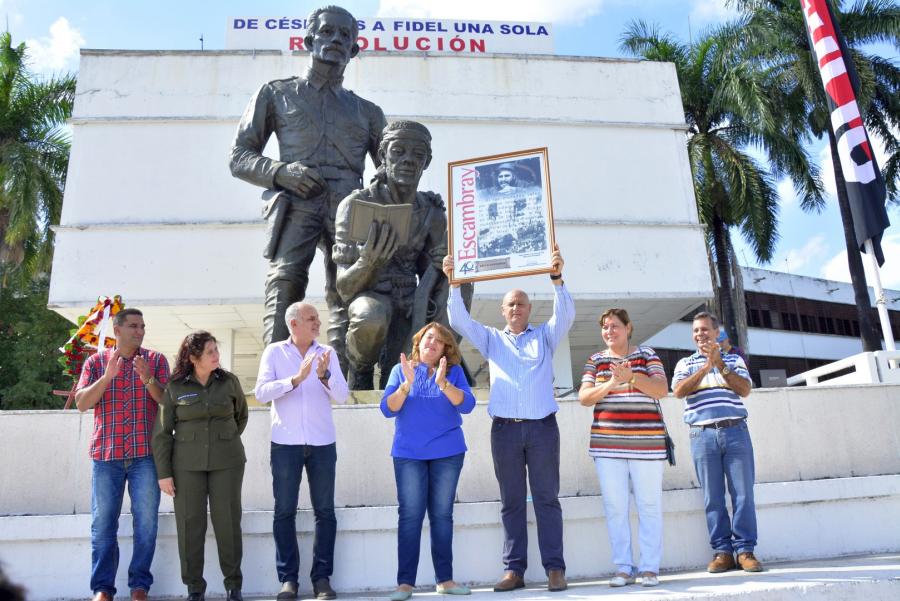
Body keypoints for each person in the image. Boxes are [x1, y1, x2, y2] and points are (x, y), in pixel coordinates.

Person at [230, 5, 388, 370]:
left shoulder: (367, 111)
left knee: (348, 290)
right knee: (285, 280)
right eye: (328, 32)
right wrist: (281, 171)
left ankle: (345, 379)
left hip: (350, 208)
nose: (335, 40)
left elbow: (389, 172)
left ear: (354, 49)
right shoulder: (276, 94)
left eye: (344, 36)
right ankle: (277, 372)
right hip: (297, 202)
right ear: (309, 40)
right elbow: (239, 156)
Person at [442, 248, 574, 592]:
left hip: (543, 428)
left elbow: (567, 316)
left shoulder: (545, 336)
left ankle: (555, 569)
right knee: (511, 501)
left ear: (530, 309)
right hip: (505, 431)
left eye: (521, 303)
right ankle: (513, 570)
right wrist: (454, 283)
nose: (516, 308)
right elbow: (459, 321)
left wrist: (557, 279)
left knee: (547, 498)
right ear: (503, 311)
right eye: (510, 304)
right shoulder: (492, 340)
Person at [334, 120, 448, 390]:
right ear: (383, 155)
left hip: (411, 301)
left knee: (396, 381)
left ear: (427, 161)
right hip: (371, 296)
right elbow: (344, 287)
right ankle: (360, 370)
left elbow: (431, 278)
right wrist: (368, 262)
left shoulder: (432, 213)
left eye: (417, 154)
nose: (408, 160)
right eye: (398, 152)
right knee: (370, 316)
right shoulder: (356, 205)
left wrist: (443, 267)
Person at [254, 301, 350, 600]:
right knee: (284, 512)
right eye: (311, 319)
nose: (317, 323)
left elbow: (343, 396)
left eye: (317, 319)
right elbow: (260, 393)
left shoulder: (327, 354)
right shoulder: (274, 352)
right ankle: (288, 581)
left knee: (325, 512)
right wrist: (294, 380)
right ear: (293, 324)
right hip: (285, 444)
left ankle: (322, 579)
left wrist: (323, 376)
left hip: (322, 443)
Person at [75, 308, 170, 601]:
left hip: (145, 456)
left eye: (142, 326)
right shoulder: (95, 361)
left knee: (147, 523)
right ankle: (103, 589)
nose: (140, 331)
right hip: (106, 455)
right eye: (133, 326)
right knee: (103, 524)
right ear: (117, 330)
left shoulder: (155, 360)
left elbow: (168, 402)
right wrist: (106, 378)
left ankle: (139, 586)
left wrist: (148, 379)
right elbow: (81, 403)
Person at [380, 323, 477, 600]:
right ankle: (405, 585)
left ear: (446, 349)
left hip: (447, 452)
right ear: (419, 342)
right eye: (428, 338)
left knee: (442, 516)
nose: (432, 343)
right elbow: (388, 408)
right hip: (409, 454)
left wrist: (443, 384)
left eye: (440, 341)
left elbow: (467, 405)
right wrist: (406, 386)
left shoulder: (454, 372)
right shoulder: (401, 370)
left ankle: (445, 580)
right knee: (410, 516)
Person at [152, 331, 249, 601]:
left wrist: (222, 440)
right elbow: (162, 433)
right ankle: (194, 588)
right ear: (194, 358)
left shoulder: (229, 382)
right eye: (210, 352)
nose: (216, 355)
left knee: (228, 523)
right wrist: (164, 474)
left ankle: (233, 586)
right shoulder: (175, 387)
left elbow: (241, 417)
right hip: (186, 467)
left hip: (227, 462)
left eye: (216, 350)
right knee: (189, 525)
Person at [578, 309, 669, 588]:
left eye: (615, 326)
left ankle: (650, 568)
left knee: (649, 506)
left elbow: (661, 389)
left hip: (647, 445)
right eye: (605, 327)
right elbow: (584, 397)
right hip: (607, 446)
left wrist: (631, 377)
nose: (609, 331)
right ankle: (623, 568)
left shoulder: (648, 355)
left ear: (628, 328)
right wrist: (612, 382)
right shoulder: (595, 360)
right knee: (615, 507)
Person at [672, 311, 762, 573]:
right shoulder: (685, 363)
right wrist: (705, 367)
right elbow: (678, 391)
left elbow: (744, 390)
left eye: (705, 330)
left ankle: (745, 550)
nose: (700, 334)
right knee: (713, 496)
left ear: (716, 332)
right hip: (702, 435)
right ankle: (722, 551)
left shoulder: (734, 359)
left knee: (743, 494)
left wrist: (720, 365)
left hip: (736, 432)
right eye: (696, 331)